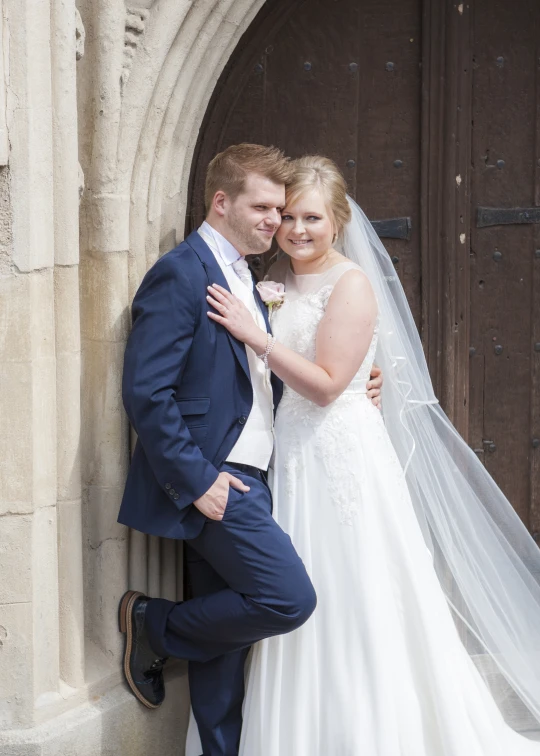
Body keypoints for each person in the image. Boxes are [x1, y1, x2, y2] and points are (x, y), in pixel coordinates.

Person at [199, 155, 540, 755]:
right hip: (292, 454)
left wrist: (258, 336)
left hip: (341, 457)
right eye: (287, 218)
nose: (297, 230)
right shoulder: (271, 277)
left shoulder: (351, 283)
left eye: (312, 218)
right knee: (298, 587)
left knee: (353, 585)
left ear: (337, 222)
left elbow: (329, 383)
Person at [116, 143, 384, 756]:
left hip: (264, 469)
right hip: (217, 476)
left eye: (284, 209)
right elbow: (146, 392)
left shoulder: (255, 277)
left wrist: (363, 376)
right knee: (288, 597)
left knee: (227, 635)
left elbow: (302, 365)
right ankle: (153, 625)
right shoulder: (182, 272)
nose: (277, 221)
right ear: (221, 201)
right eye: (264, 207)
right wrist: (198, 479)